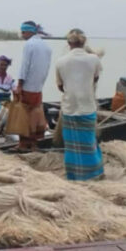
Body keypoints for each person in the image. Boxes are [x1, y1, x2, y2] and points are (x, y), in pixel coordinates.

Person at [55, 29, 104, 180]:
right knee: (89, 143)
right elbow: (95, 79)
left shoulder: (60, 61)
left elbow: (60, 86)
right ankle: (94, 174)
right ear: (84, 42)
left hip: (70, 108)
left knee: (72, 146)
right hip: (87, 107)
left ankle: (74, 175)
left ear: (69, 43)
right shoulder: (94, 59)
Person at [16, 20, 52, 151]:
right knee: (36, 114)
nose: (22, 34)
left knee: (24, 116)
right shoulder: (46, 46)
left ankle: (24, 144)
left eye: (23, 31)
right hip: (38, 87)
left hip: (28, 87)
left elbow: (24, 66)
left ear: (30, 31)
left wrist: (19, 84)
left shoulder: (29, 45)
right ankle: (34, 142)